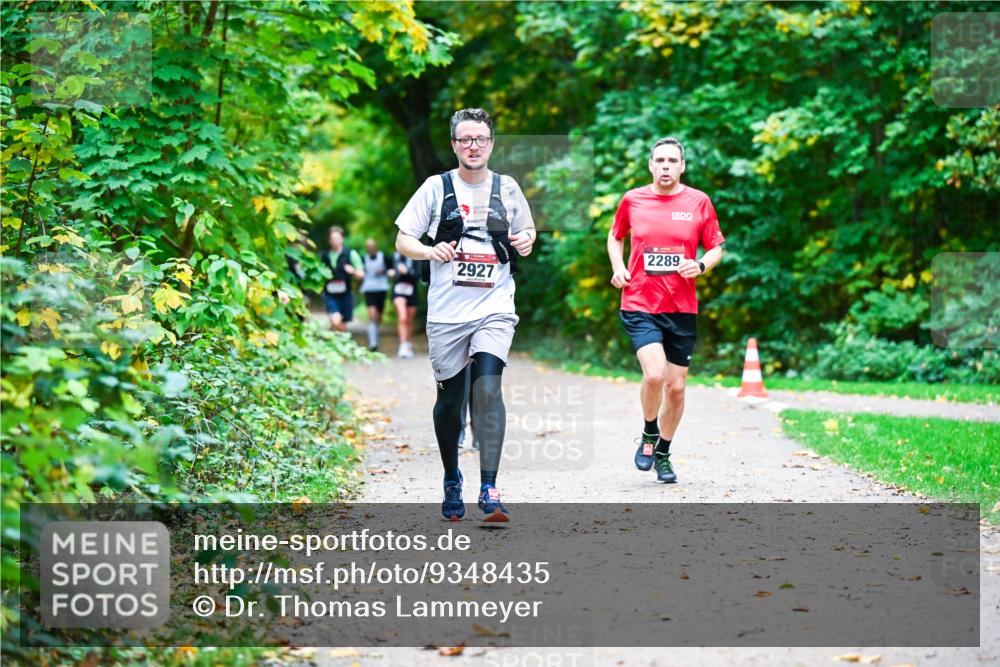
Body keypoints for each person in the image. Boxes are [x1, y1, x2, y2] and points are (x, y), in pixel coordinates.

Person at [394, 108, 535, 522]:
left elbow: (526, 232)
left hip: (494, 306)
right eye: (465, 140)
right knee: (450, 399)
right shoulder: (435, 188)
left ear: (491, 143)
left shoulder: (507, 188)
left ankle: (489, 488)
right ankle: (452, 476)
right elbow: (404, 238)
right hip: (447, 314)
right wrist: (428, 250)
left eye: (481, 139)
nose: (473, 147)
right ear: (455, 144)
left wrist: (525, 240)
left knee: (488, 388)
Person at [607, 137, 725, 484]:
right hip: (640, 301)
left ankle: (663, 453)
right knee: (655, 374)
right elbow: (616, 236)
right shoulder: (633, 199)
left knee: (676, 388)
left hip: (681, 307)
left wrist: (701, 266)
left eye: (672, 161)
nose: (665, 166)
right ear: (650, 165)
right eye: (659, 160)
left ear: (682, 166)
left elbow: (717, 246)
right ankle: (648, 432)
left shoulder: (698, 202)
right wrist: (618, 267)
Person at [321, 226, 364, 332]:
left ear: (342, 239)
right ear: (329, 240)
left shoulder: (351, 254)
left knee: (342, 325)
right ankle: (338, 337)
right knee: (336, 320)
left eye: (337, 238)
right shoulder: (324, 256)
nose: (335, 241)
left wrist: (353, 271)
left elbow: (361, 274)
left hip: (346, 295)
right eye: (332, 238)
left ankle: (337, 342)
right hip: (330, 294)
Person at [360, 238, 391, 351]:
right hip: (368, 289)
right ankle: (372, 343)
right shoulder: (364, 259)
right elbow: (360, 271)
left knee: (378, 317)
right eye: (368, 247)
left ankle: (375, 337)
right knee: (372, 315)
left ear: (375, 246)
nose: (370, 248)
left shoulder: (384, 257)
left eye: (372, 246)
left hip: (381, 288)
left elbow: (391, 270)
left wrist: (384, 272)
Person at [389, 249, 419, 359]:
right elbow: (387, 269)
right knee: (402, 317)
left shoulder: (415, 257)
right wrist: (393, 272)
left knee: (409, 320)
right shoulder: (394, 257)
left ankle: (408, 343)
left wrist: (406, 272)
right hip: (398, 291)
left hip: (411, 291)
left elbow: (417, 276)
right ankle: (402, 345)